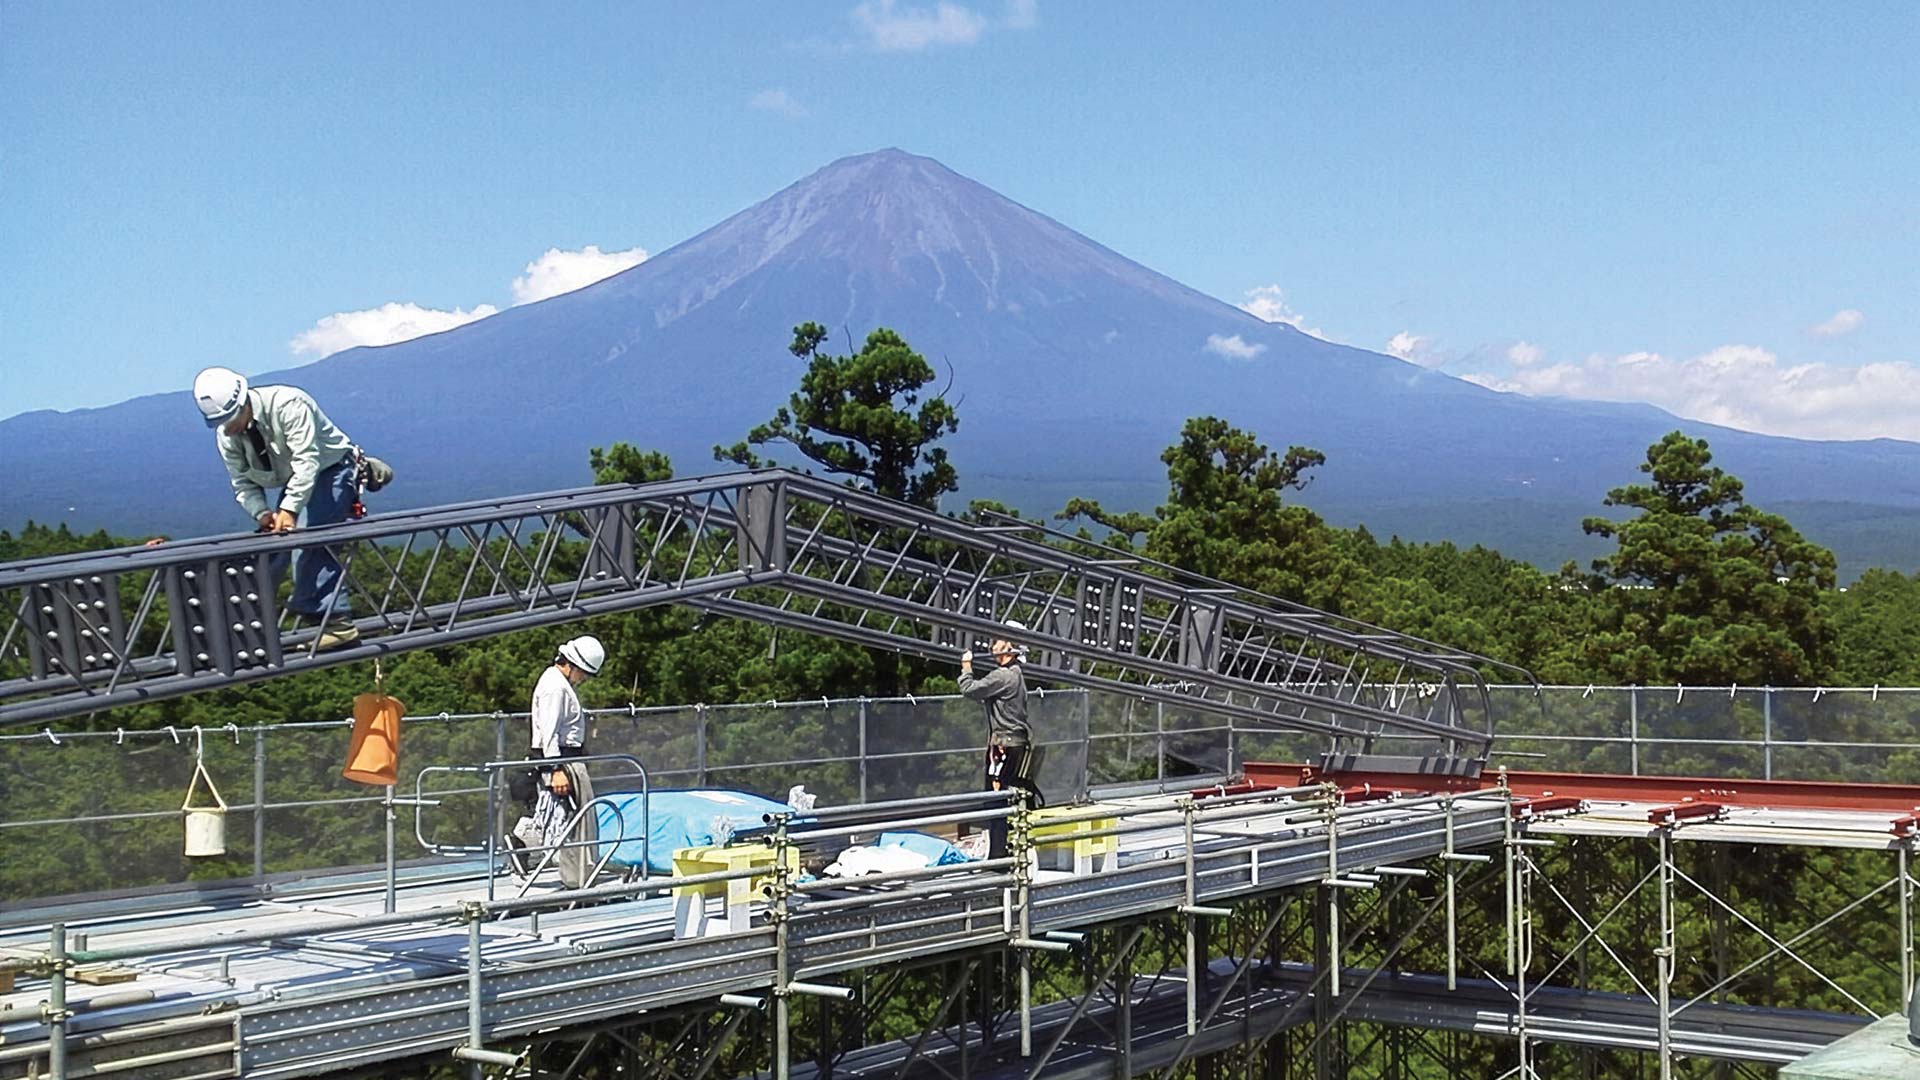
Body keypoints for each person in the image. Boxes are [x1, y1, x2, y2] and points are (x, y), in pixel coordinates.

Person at [191, 367, 392, 651]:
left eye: (231, 418)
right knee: (273, 546)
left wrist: (289, 509)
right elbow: (242, 483)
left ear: (245, 403)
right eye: (220, 422)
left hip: (331, 468)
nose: (227, 427)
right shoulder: (226, 434)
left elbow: (307, 461)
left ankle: (337, 625)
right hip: (296, 479)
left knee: (310, 539)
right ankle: (248, 626)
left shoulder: (289, 404)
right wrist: (262, 513)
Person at [508, 634, 604, 886]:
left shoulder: (557, 683)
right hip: (561, 758)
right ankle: (522, 845)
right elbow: (549, 733)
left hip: (565, 758)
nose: (583, 679)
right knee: (560, 816)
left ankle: (571, 871)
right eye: (583, 674)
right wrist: (556, 770)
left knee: (562, 815)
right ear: (573, 665)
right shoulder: (555, 687)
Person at [958, 622, 1041, 858]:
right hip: (1015, 743)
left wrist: (966, 667)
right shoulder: (1015, 674)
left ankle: (998, 856)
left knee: (996, 800)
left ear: (1010, 648)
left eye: (998, 642)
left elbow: (970, 689)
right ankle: (1007, 850)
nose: (992, 646)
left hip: (1003, 746)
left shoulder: (1004, 676)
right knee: (1008, 798)